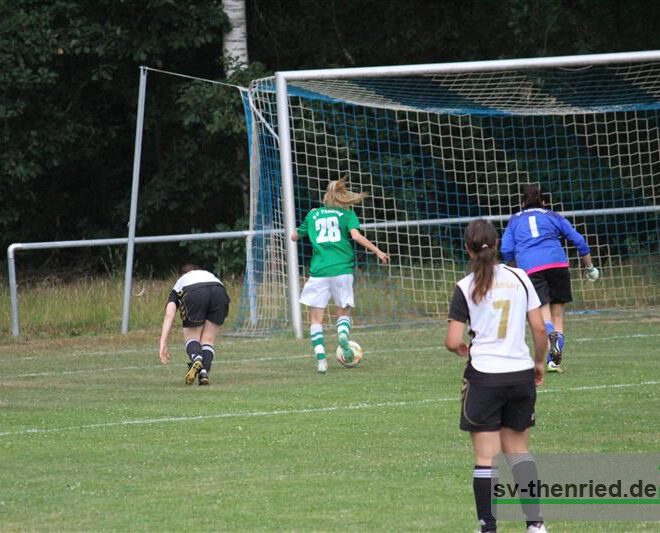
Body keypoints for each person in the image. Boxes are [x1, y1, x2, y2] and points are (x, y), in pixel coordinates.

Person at [445, 219, 549, 533]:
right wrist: (539, 362)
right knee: (518, 452)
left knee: (485, 458)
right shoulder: (520, 277)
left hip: (485, 378)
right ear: (498, 244)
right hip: (519, 375)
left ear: (467, 249)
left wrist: (460, 347)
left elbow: (452, 340)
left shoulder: (465, 286)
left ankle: (488, 527)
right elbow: (540, 328)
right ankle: (536, 525)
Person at [291, 178, 390, 373]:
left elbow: (295, 236)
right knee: (343, 312)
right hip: (342, 270)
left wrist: (301, 231)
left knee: (316, 319)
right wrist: (377, 251)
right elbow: (356, 236)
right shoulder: (347, 213)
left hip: (319, 272)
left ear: (325, 197)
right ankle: (343, 336)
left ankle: (321, 359)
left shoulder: (313, 214)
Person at [501, 184, 599, 372]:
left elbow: (506, 250)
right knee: (558, 315)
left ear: (522, 203)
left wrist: (515, 271)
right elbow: (578, 240)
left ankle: (551, 338)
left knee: (544, 315)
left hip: (531, 269)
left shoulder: (515, 220)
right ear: (544, 202)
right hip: (558, 265)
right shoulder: (552, 216)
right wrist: (590, 267)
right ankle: (554, 361)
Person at [159, 264, 230, 386]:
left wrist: (163, 343)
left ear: (181, 275)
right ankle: (203, 373)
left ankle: (197, 358)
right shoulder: (208, 275)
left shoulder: (179, 284)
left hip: (194, 292)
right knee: (208, 338)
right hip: (220, 290)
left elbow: (169, 315)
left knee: (192, 337)